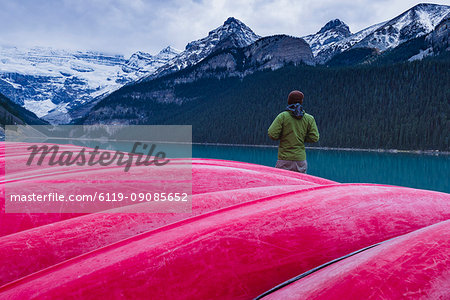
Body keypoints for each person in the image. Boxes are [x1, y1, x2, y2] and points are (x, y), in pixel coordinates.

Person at [268, 90, 319, 173]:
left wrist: (284, 136)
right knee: (300, 185)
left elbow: (272, 134)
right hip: (300, 160)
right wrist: (301, 138)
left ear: (289, 101)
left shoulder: (283, 116)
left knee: (283, 184)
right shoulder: (309, 118)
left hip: (284, 160)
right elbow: (315, 138)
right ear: (301, 101)